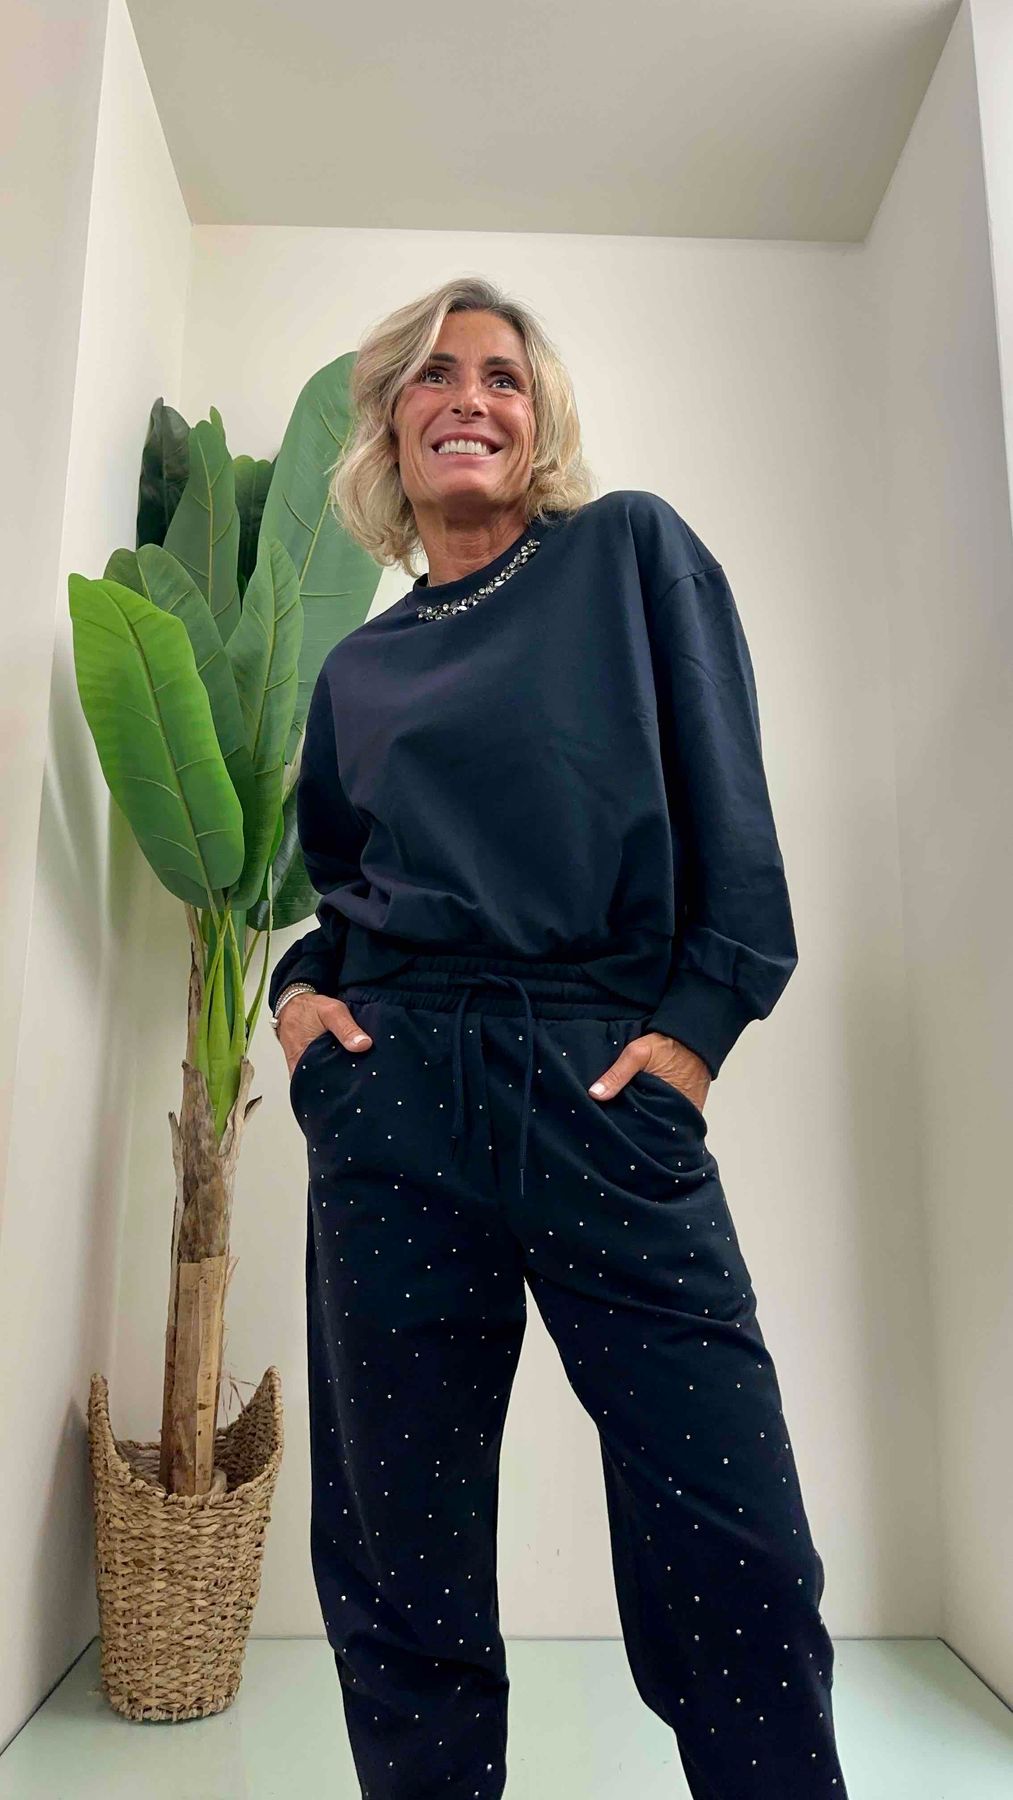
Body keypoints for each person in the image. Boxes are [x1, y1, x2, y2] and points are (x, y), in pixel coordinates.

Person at [269, 275, 849, 1799]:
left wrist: (693, 1035)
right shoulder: (359, 669)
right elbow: (343, 894)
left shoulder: (626, 553)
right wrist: (300, 1010)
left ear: (538, 422)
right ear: (386, 427)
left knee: (732, 1542)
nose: (469, 396)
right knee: (401, 1556)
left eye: (502, 377)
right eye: (433, 375)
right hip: (396, 1103)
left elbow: (730, 813)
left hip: (599, 1082)